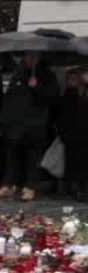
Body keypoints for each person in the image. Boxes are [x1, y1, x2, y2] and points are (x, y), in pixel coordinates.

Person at [0, 51, 59, 201]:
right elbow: (10, 97)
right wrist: (3, 120)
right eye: (28, 56)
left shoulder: (48, 75)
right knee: (12, 156)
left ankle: (30, 187)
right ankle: (8, 185)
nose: (30, 59)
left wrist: (36, 87)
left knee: (33, 158)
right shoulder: (19, 73)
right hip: (16, 123)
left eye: (34, 56)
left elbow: (52, 99)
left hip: (35, 124)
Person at [58, 67, 88, 198]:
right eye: (69, 79)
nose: (72, 81)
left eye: (74, 78)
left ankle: (82, 188)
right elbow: (63, 114)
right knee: (72, 162)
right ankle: (74, 188)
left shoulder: (85, 93)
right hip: (71, 134)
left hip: (83, 134)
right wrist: (63, 132)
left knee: (83, 162)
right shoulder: (69, 94)